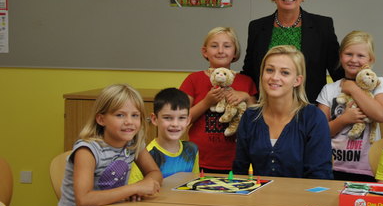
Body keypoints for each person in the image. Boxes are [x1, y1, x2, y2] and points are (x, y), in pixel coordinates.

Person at [54, 84, 162, 206]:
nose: (129, 122)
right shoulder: (87, 151)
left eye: (135, 115)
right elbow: (84, 202)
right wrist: (134, 188)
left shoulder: (133, 143)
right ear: (101, 119)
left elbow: (154, 172)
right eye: (120, 115)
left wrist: (143, 185)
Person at [241, 0, 343, 103]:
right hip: (266, 109)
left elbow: (338, 71)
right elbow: (249, 72)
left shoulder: (322, 26)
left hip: (309, 111)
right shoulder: (257, 27)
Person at [233, 45, 333, 179]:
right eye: (269, 70)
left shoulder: (313, 118)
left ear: (297, 80)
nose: (274, 77)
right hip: (256, 198)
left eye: (284, 72)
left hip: (303, 199)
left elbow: (320, 177)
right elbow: (240, 171)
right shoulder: (250, 117)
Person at [180, 27, 257, 173]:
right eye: (214, 46)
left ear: (235, 52)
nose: (220, 51)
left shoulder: (246, 82)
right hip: (199, 159)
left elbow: (256, 121)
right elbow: (182, 119)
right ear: (205, 52)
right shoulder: (193, 80)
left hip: (237, 160)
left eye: (227, 46)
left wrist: (246, 97)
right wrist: (206, 103)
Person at [317, 31, 383, 182]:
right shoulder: (329, 89)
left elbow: (381, 115)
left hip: (368, 168)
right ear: (340, 56)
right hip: (333, 167)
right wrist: (343, 120)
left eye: (360, 56)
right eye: (348, 54)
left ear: (371, 59)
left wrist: (354, 89)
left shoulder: (379, 84)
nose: (353, 60)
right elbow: (320, 132)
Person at [128, 88, 198, 182]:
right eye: (168, 118)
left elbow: (193, 183)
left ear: (188, 120)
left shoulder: (192, 150)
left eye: (181, 118)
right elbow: (134, 190)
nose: (175, 124)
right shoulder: (146, 155)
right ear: (154, 119)